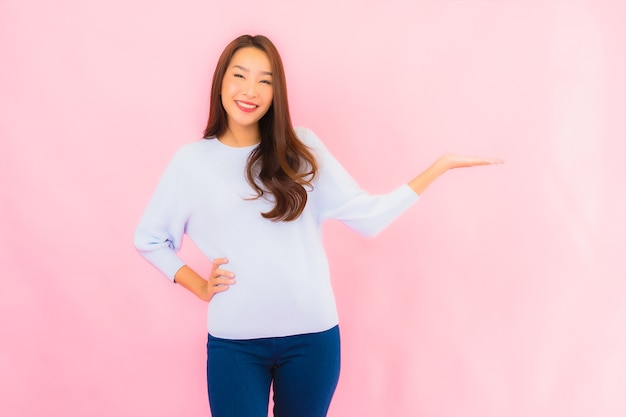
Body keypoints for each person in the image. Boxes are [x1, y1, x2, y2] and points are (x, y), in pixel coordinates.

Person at [133, 34, 502, 417]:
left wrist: (439, 167)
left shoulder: (301, 149)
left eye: (265, 80)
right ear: (221, 81)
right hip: (235, 342)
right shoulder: (191, 162)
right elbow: (149, 239)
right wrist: (199, 286)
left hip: (312, 339)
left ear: (277, 92)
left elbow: (368, 219)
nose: (250, 90)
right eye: (239, 75)